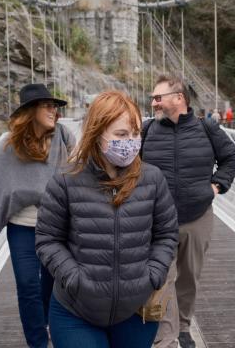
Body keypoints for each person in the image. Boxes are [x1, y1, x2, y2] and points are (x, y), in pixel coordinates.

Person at [35, 90, 179, 348]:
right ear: (96, 133)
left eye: (136, 134)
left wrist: (153, 275)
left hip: (136, 311)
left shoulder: (153, 179)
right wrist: (74, 278)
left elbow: (166, 234)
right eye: (121, 135)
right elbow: (48, 239)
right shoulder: (66, 181)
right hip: (76, 311)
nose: (131, 143)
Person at [141, 75, 235, 348]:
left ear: (179, 98)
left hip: (197, 216)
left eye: (158, 97)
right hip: (158, 219)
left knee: (189, 276)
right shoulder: (147, 130)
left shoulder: (206, 129)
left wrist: (217, 186)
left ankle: (183, 327)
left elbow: (231, 157)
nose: (153, 103)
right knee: (162, 277)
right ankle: (167, 336)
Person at [0, 83, 75, 348]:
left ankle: (45, 321)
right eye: (47, 106)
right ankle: (38, 343)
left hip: (54, 224)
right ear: (31, 111)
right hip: (22, 226)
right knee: (27, 284)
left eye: (55, 106)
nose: (53, 111)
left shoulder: (63, 137)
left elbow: (75, 173)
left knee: (51, 282)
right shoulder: (9, 145)